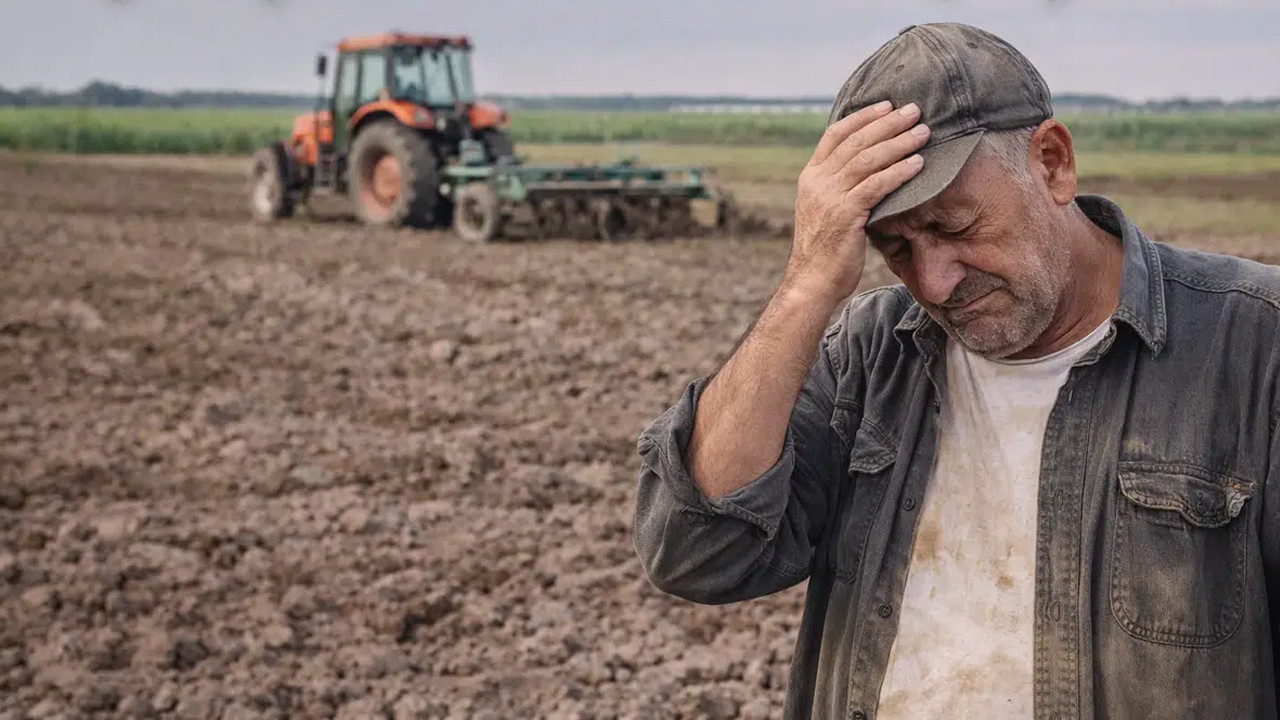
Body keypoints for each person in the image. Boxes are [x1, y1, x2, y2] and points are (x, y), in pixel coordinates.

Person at [631, 21, 1280, 720]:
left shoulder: (1252, 345)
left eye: (955, 227)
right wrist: (806, 285)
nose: (935, 284)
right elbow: (696, 552)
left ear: (1053, 163)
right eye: (897, 249)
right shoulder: (869, 355)